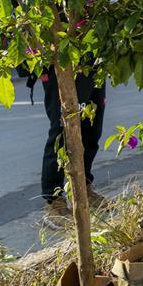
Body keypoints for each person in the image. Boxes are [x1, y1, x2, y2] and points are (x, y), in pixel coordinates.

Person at [40, 69, 107, 224]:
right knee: (62, 133)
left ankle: (82, 189)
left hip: (93, 63)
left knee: (92, 130)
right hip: (62, 66)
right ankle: (53, 202)